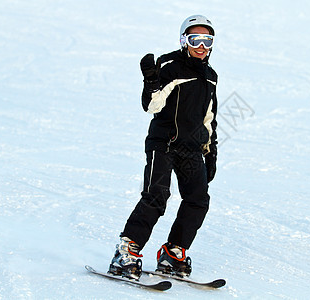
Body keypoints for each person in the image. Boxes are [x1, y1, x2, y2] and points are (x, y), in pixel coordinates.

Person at [108, 15, 218, 280]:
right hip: (164, 143)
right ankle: (127, 251)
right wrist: (151, 81)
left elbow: (209, 116)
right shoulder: (170, 65)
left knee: (198, 199)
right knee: (157, 196)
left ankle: (173, 252)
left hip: (191, 148)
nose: (201, 46)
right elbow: (152, 106)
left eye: (207, 40)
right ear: (184, 41)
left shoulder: (211, 76)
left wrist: (211, 150)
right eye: (195, 40)